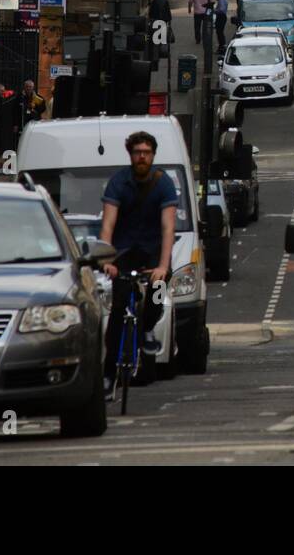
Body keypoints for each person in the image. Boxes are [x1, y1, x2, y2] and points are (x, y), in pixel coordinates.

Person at [99, 132, 177, 392]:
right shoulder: (118, 182)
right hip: (123, 253)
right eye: (137, 152)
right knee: (118, 310)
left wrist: (163, 266)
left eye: (146, 152)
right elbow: (108, 225)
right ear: (130, 154)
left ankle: (146, 329)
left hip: (153, 253)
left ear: (153, 155)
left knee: (158, 293)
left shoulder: (163, 183)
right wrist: (107, 260)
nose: (141, 156)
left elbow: (168, 228)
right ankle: (108, 374)